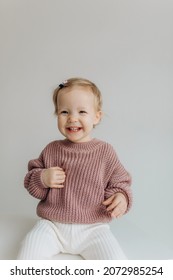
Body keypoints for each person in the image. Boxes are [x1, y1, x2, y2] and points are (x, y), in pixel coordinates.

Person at [17, 77, 132, 260]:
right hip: (52, 226)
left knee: (117, 263)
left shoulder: (105, 152)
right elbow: (31, 181)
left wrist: (121, 197)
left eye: (82, 111)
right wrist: (42, 178)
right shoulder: (52, 149)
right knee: (28, 254)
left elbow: (120, 182)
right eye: (64, 111)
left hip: (94, 228)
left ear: (96, 117)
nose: (72, 118)